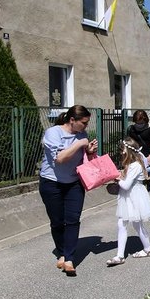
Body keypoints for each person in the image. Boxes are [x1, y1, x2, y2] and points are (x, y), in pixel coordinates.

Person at [39, 105, 98, 276]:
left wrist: (89, 151)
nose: (86, 127)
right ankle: (62, 251)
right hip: (52, 183)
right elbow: (60, 159)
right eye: (83, 123)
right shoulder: (53, 133)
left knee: (73, 220)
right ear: (72, 120)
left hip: (74, 183)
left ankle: (69, 258)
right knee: (57, 221)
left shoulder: (82, 134)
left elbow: (83, 158)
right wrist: (80, 143)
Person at [108, 138, 150, 263]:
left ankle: (144, 249)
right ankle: (124, 254)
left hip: (134, 196)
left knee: (135, 224)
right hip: (129, 196)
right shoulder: (131, 164)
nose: (121, 152)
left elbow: (126, 185)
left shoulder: (135, 166)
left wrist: (117, 178)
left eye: (123, 150)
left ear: (128, 150)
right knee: (125, 224)